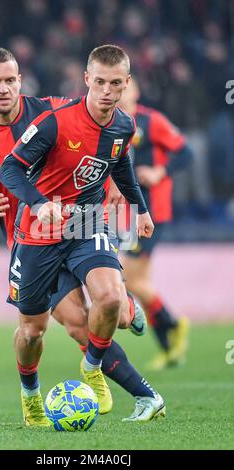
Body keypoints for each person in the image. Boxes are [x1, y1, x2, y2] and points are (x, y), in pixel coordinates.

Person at [0, 47, 164, 426]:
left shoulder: (50, 110)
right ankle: (34, 393)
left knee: (106, 301)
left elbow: (103, 121)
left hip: (81, 224)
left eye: (9, 80)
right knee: (49, 328)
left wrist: (133, 201)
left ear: (21, 80)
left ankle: (135, 379)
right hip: (33, 237)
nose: (3, 89)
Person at [117, 78, 192, 370]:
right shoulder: (110, 124)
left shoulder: (152, 121)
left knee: (133, 280)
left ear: (135, 91)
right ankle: (169, 346)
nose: (120, 94)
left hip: (153, 211)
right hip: (129, 213)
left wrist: (161, 172)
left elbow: (186, 152)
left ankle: (172, 324)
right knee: (141, 281)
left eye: (125, 87)